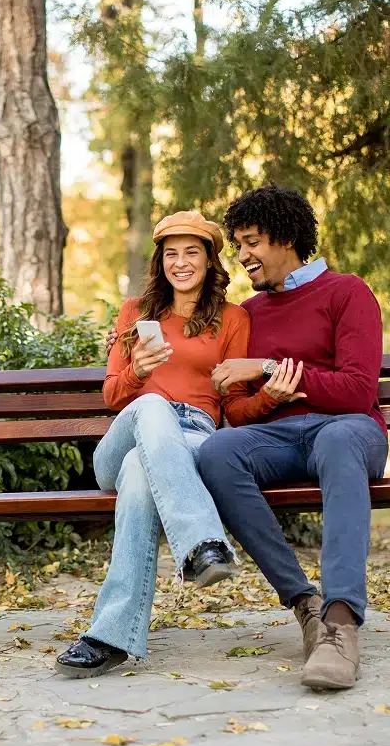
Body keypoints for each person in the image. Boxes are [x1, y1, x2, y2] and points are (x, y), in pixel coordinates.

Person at [104, 184, 387, 690]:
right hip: (279, 434)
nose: (244, 256)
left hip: (346, 428)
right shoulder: (249, 313)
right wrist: (269, 397)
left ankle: (341, 622)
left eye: (251, 242)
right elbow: (240, 410)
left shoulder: (347, 292)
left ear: (285, 238)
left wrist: (274, 368)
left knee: (340, 441)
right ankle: (305, 605)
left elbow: (356, 390)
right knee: (216, 451)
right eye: (237, 245)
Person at [55, 210, 304, 679]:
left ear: (210, 261)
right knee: (152, 409)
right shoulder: (135, 313)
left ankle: (108, 636)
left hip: (191, 438)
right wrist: (140, 373)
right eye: (171, 254)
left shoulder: (232, 319)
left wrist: (268, 395)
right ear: (160, 262)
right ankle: (203, 543)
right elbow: (113, 395)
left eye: (192, 252)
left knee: (138, 476)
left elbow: (234, 409)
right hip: (131, 427)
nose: (181, 262)